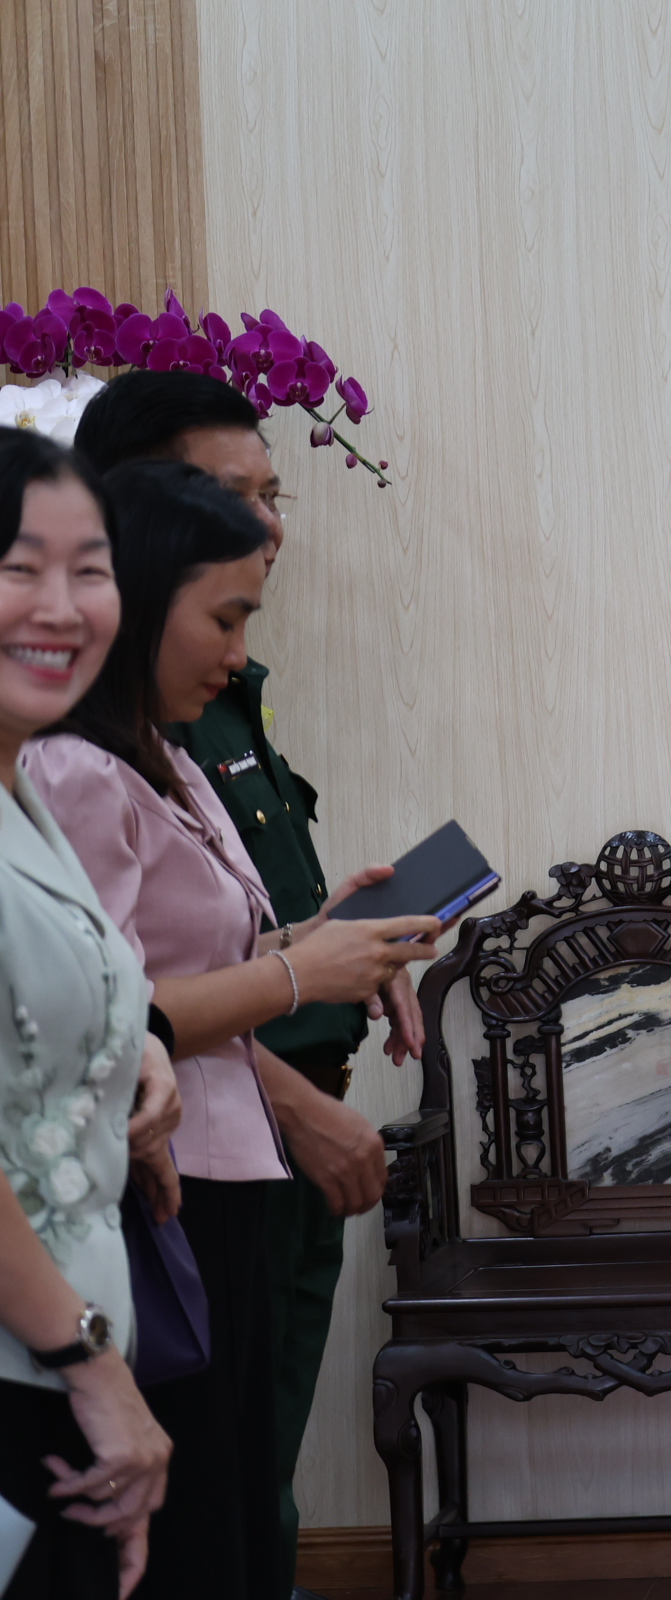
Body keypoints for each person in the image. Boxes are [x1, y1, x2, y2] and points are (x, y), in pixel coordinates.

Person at [22, 460, 438, 1600]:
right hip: (161, 1182)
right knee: (195, 1526)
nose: (238, 653)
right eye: (223, 619)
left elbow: (199, 952)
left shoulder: (167, 756)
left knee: (242, 1501)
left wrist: (325, 939)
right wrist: (300, 974)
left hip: (231, 1168)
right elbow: (120, 1011)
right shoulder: (73, 771)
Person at [0, 432, 176, 1600]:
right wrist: (93, 1365)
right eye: (18, 567)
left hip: (49, 1363)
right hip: (41, 1354)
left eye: (90, 569)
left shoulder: (23, 782)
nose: (60, 607)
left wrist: (133, 1049)